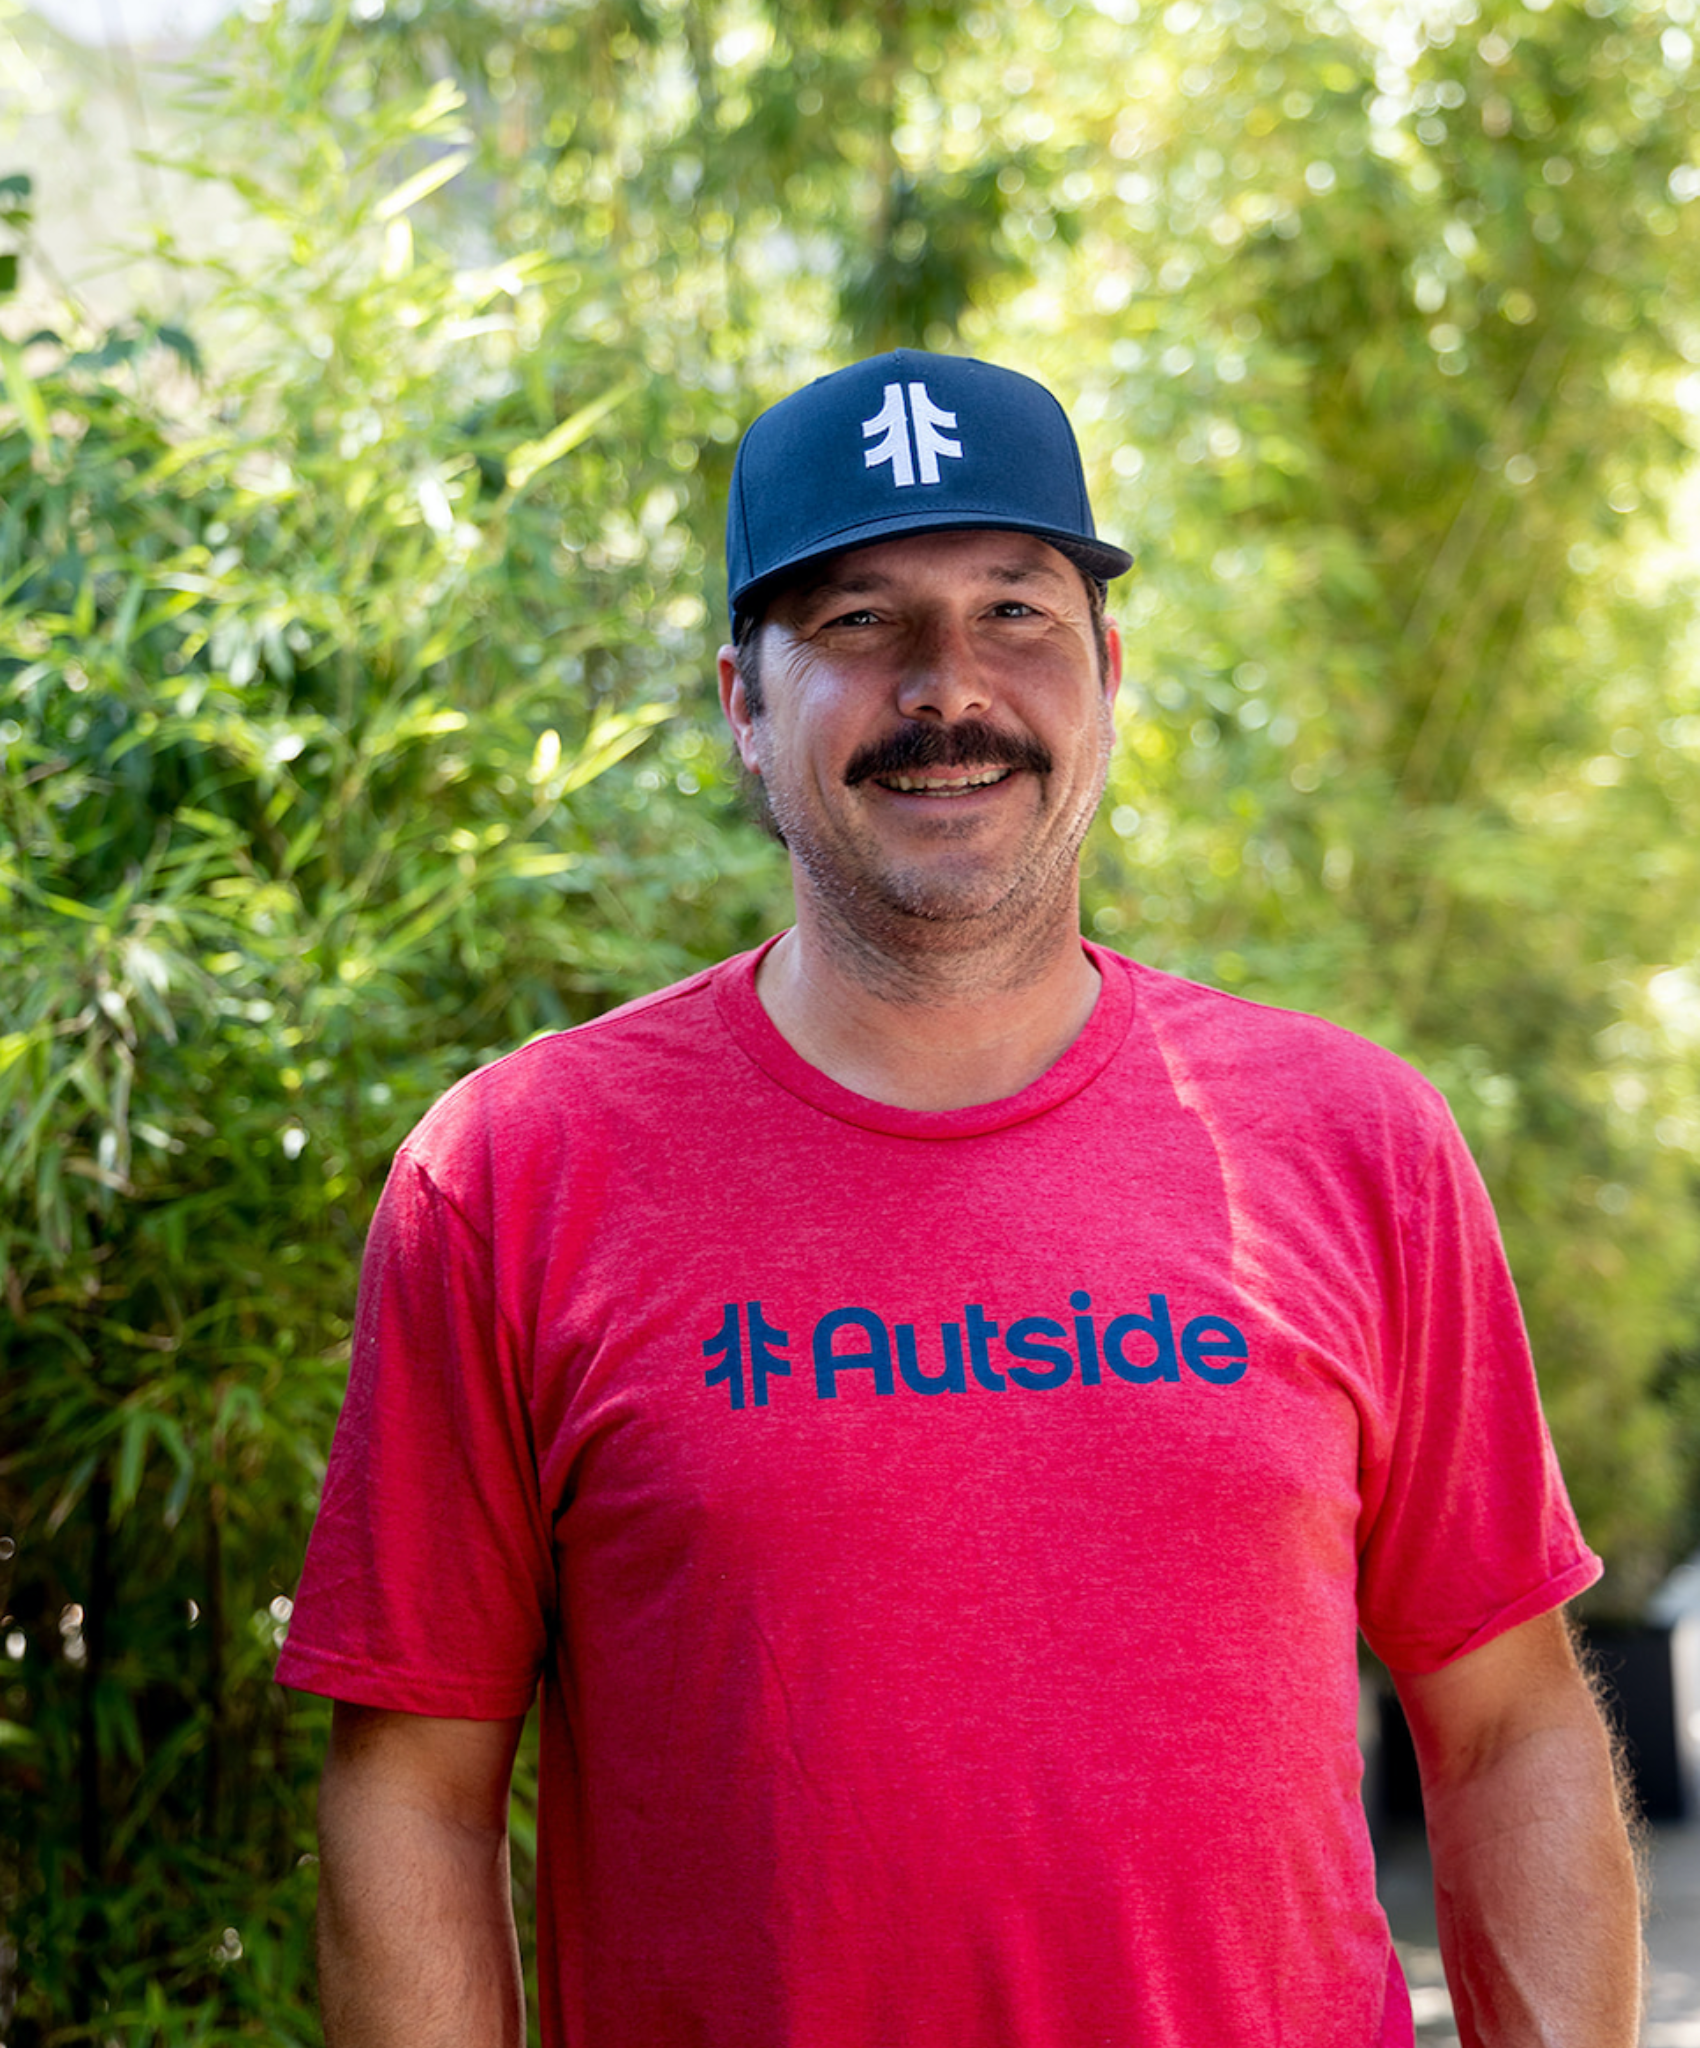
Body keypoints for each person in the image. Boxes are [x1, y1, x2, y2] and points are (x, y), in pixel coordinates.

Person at [277, 349, 1642, 2047]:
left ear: (1107, 676)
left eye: (1016, 611)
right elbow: (413, 1783)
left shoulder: (1356, 1141)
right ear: (742, 707)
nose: (949, 688)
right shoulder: (513, 1174)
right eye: (858, 623)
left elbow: (1508, 1717)